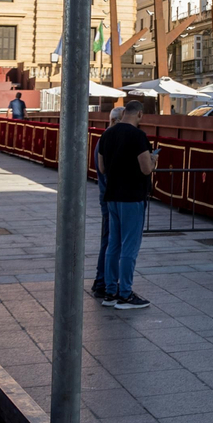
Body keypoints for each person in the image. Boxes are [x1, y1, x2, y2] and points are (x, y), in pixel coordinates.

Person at [97, 101, 156, 309]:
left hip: (112, 196)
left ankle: (110, 292)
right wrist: (154, 160)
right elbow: (146, 168)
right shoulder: (138, 136)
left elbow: (102, 168)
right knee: (130, 246)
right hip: (132, 196)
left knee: (113, 244)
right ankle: (125, 294)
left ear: (123, 113)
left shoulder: (107, 135)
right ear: (139, 114)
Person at [91, 107, 127, 299]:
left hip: (108, 195)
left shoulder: (105, 139)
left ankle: (103, 280)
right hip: (111, 196)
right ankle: (102, 282)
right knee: (110, 240)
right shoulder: (109, 139)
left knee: (109, 239)